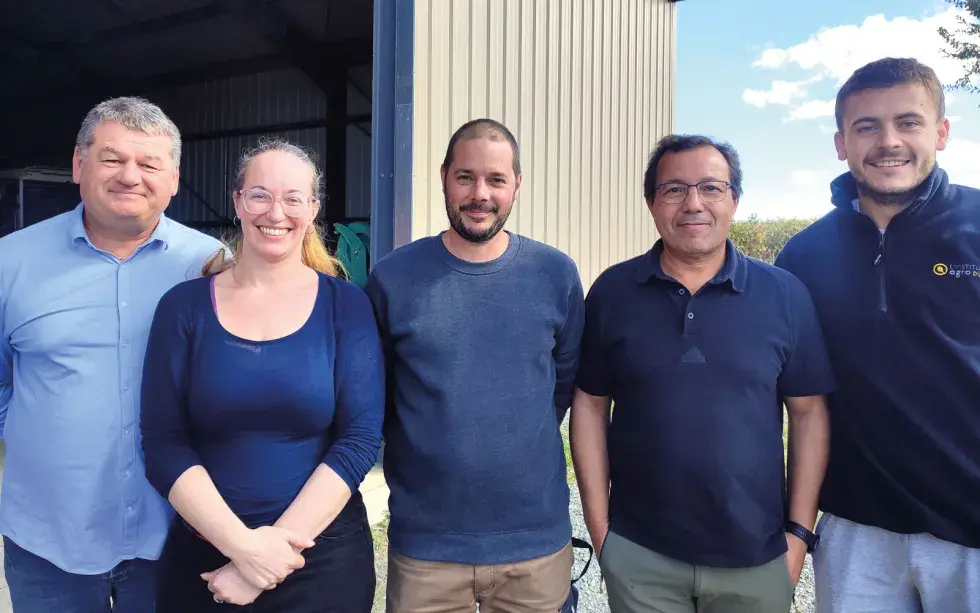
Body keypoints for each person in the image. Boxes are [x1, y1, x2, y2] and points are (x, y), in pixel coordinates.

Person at [571, 134, 835, 613]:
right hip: (639, 554)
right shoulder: (613, 292)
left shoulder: (785, 296)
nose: (693, 203)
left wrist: (798, 536)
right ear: (651, 202)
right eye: (674, 189)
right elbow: (589, 404)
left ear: (734, 199)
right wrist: (601, 528)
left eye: (711, 188)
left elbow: (809, 414)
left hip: (756, 559)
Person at [139, 137, 384, 611]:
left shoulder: (345, 306)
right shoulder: (183, 308)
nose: (276, 211)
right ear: (237, 201)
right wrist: (243, 549)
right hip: (206, 563)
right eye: (260, 194)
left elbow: (359, 438)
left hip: (322, 564)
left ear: (312, 209)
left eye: (294, 198)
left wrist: (267, 561)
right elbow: (163, 442)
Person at [0, 96, 223, 613]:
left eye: (149, 164)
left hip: (176, 535)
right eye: (111, 158)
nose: (130, 176)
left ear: (174, 178)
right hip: (49, 539)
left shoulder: (212, 268)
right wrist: (40, 435)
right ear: (79, 165)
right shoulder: (10, 262)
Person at [774, 57, 980, 613]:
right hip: (855, 529)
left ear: (940, 131)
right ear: (841, 143)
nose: (888, 141)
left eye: (908, 122)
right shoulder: (804, 256)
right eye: (867, 126)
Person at [364, 118, 585, 613]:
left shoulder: (555, 274)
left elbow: (562, 384)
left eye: (496, 180)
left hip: (535, 544)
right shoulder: (395, 277)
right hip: (426, 548)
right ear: (444, 177)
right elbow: (378, 393)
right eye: (465, 177)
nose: (479, 194)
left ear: (517, 184)